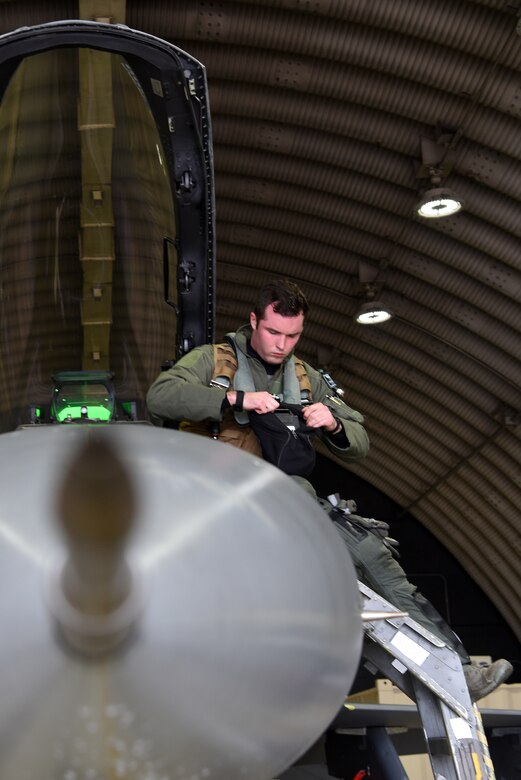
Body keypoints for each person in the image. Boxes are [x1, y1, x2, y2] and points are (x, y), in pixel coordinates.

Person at [146, 278, 512, 701]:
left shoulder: (306, 378)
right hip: (217, 496)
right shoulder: (214, 362)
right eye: (273, 332)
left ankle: (456, 673)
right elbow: (162, 396)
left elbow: (359, 442)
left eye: (293, 335)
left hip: (287, 499)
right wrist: (236, 400)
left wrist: (334, 423)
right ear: (254, 321)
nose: (282, 345)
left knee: (372, 554)